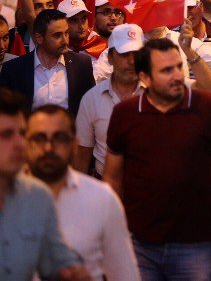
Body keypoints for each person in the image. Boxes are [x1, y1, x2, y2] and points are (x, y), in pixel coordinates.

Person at [104, 38, 211, 280]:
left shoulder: (208, 108)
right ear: (145, 78)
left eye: (179, 67)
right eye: (166, 70)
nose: (177, 76)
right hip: (138, 243)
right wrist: (111, 231)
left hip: (196, 243)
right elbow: (112, 178)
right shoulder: (124, 114)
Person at [25, 105, 140, 280]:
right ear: (25, 144)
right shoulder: (7, 198)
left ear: (74, 145)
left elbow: (125, 275)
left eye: (60, 138)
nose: (48, 147)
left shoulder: (102, 199)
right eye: (39, 138)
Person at [0, 88, 88, 281]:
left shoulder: (38, 196)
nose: (20, 143)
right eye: (6, 135)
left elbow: (60, 263)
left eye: (22, 133)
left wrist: (75, 273)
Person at [73, 23, 144, 177]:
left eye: (137, 54)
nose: (132, 61)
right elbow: (82, 155)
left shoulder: (156, 93)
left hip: (148, 190)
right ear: (110, 57)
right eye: (125, 54)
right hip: (104, 186)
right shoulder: (91, 99)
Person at [0, 9, 95, 116]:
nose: (65, 40)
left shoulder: (82, 65)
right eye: (57, 35)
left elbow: (90, 107)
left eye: (66, 33)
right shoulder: (13, 69)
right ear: (39, 38)